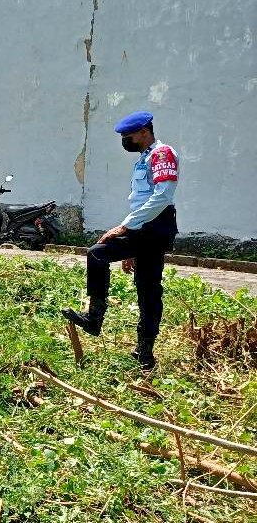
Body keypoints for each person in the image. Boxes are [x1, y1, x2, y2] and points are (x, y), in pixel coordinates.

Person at [63, 111, 179, 370]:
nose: (126, 140)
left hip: (156, 226)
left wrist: (125, 228)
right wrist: (132, 241)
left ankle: (101, 323)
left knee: (102, 256)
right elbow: (141, 201)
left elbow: (161, 197)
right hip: (146, 227)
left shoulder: (162, 154)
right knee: (145, 286)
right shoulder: (144, 158)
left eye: (129, 136)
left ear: (144, 132)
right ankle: (142, 352)